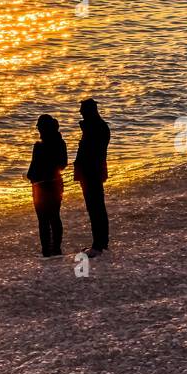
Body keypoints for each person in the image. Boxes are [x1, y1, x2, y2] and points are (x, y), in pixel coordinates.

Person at [73, 98, 110, 258]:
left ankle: (98, 245)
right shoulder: (96, 127)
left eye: (82, 109)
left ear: (89, 111)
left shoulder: (96, 128)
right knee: (96, 208)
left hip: (91, 173)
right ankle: (101, 242)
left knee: (96, 208)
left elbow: (91, 153)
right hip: (92, 172)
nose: (80, 112)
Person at [27, 114, 68, 257]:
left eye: (40, 128)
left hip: (41, 187)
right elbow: (63, 164)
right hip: (55, 184)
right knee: (54, 217)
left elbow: (32, 170)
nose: (39, 131)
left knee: (44, 219)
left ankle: (47, 249)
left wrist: (32, 176)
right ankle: (56, 248)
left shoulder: (39, 146)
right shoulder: (60, 143)